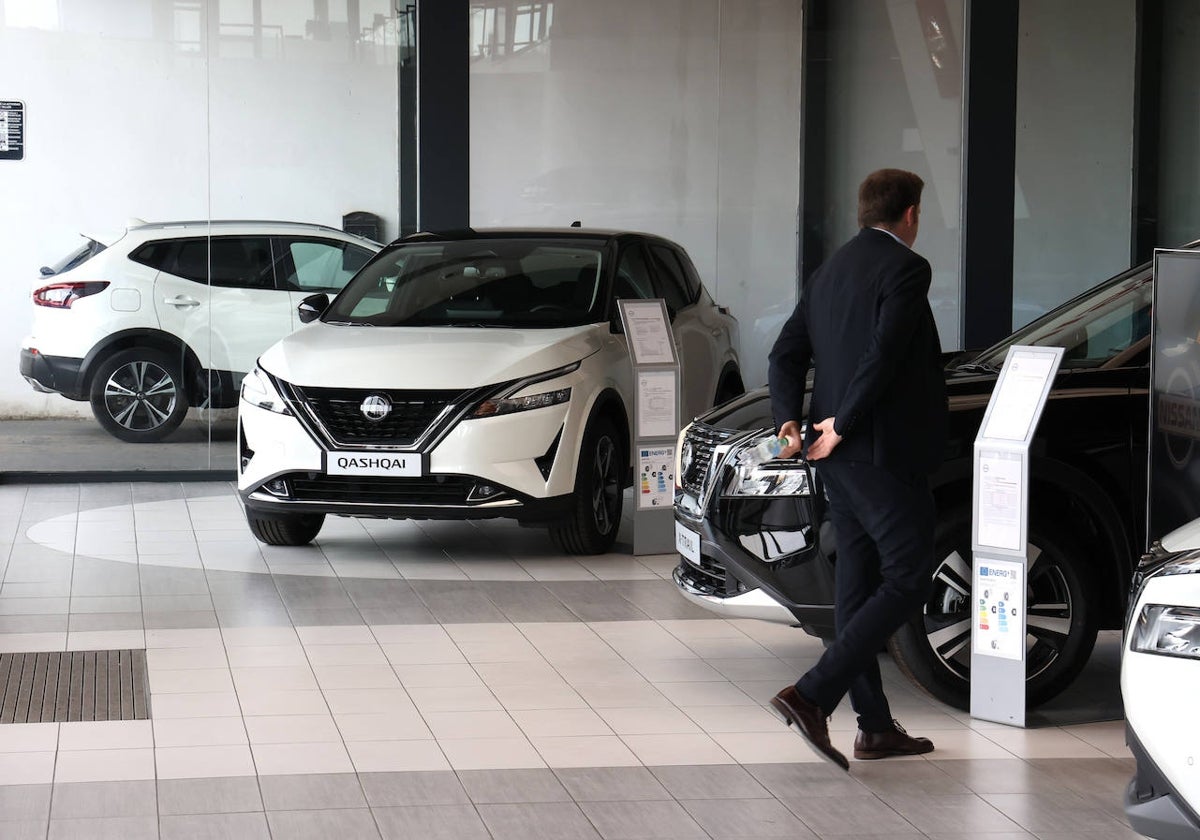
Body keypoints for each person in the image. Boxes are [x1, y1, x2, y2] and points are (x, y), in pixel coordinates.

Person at [765, 168, 948, 770]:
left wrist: (790, 420)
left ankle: (874, 726)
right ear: (911, 215)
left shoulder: (830, 271)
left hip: (832, 455)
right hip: (879, 453)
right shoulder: (906, 269)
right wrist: (844, 423)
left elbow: (785, 353)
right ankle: (813, 694)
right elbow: (886, 355)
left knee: (857, 585)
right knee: (909, 577)